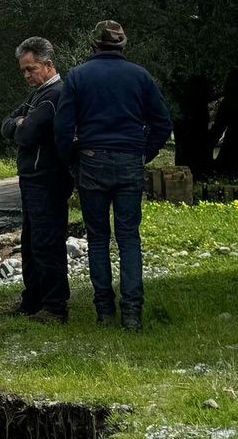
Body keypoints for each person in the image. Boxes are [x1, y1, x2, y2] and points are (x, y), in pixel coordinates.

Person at [54, 21, 173, 330]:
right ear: (122, 46)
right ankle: (132, 314)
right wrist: (145, 152)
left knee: (97, 239)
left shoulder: (78, 76)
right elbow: (162, 122)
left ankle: (104, 312)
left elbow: (63, 128)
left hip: (92, 160)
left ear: (93, 45)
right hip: (130, 159)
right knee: (129, 237)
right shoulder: (140, 76)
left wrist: (72, 162)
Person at [1, 37, 73, 323]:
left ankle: (55, 306)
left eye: (30, 69)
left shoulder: (55, 95)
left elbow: (26, 134)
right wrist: (17, 124)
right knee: (31, 242)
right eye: (23, 70)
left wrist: (20, 125)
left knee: (47, 242)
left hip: (48, 178)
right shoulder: (37, 95)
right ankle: (32, 301)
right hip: (32, 178)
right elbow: (7, 123)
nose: (27, 75)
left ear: (48, 65)